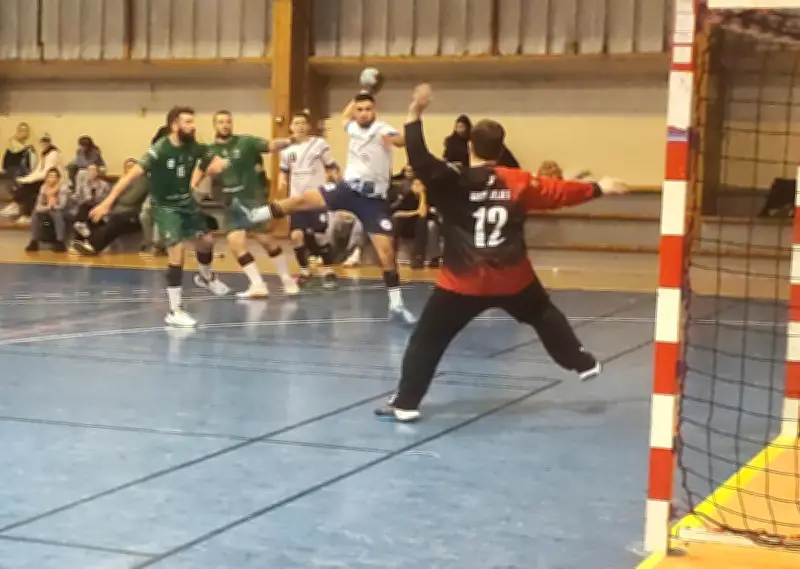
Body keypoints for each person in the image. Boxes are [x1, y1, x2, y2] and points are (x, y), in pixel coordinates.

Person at [375, 84, 630, 422]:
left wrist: (415, 113)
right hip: (513, 278)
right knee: (543, 313)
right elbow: (558, 192)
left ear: (470, 147)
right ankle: (581, 362)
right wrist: (599, 187)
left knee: (427, 340)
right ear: (501, 147)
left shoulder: (452, 179)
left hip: (461, 282)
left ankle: (406, 403)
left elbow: (420, 158)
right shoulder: (519, 181)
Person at [232, 90, 416, 325]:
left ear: (375, 111)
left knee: (387, 254)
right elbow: (344, 117)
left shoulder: (381, 129)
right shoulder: (351, 127)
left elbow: (399, 140)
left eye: (368, 109)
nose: (363, 113)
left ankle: (397, 306)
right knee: (299, 201)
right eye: (359, 109)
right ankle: (254, 215)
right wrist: (360, 91)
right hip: (348, 189)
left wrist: (400, 133)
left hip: (373, 200)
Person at [90, 106, 230, 328]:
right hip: (165, 207)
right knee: (177, 250)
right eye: (187, 122)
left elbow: (210, 161)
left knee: (206, 242)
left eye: (193, 121)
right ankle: (175, 310)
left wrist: (220, 165)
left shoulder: (194, 146)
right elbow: (130, 177)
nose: (193, 126)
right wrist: (107, 203)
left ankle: (205, 277)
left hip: (185, 201)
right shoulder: (159, 150)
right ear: (174, 125)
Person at [191, 110, 296, 299]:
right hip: (230, 203)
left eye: (228, 122)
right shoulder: (209, 152)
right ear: (215, 125)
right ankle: (257, 284)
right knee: (234, 241)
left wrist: (289, 140)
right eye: (221, 122)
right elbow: (199, 173)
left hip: (252, 199)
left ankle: (286, 278)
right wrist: (192, 188)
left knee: (265, 240)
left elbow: (271, 146)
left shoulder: (246, 143)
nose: (225, 125)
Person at [278, 111, 341, 289]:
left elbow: (331, 166)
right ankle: (305, 270)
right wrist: (282, 182)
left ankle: (328, 270)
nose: (299, 126)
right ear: (290, 127)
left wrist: (338, 184)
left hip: (317, 197)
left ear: (308, 126)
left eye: (302, 123)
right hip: (297, 199)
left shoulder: (319, 144)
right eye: (296, 123)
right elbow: (283, 170)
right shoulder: (287, 149)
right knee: (296, 236)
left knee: (320, 236)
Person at [24, 167, 70, 252]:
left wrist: (51, 207)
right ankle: (34, 241)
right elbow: (38, 205)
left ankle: (60, 241)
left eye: (54, 177)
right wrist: (47, 207)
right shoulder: (43, 188)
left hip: (62, 210)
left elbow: (62, 205)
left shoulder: (63, 188)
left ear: (58, 179)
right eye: (49, 176)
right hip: (48, 209)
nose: (51, 179)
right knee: (35, 213)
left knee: (56, 213)